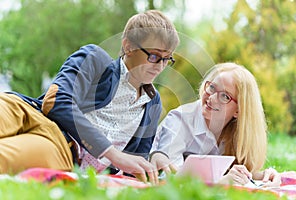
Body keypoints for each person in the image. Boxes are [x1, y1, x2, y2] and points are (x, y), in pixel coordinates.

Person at [0, 10, 179, 185]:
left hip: (63, 147)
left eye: (167, 59)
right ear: (128, 46)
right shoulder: (96, 59)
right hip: (29, 111)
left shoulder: (153, 104)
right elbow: (55, 100)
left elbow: (135, 165)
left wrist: (154, 163)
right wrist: (112, 154)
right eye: (154, 56)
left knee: (6, 157)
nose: (160, 66)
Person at [150, 62, 281, 186]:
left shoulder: (236, 131)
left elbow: (230, 172)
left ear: (238, 110)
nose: (211, 98)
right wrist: (218, 183)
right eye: (212, 87)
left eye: (224, 96)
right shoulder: (180, 120)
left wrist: (263, 176)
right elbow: (168, 178)